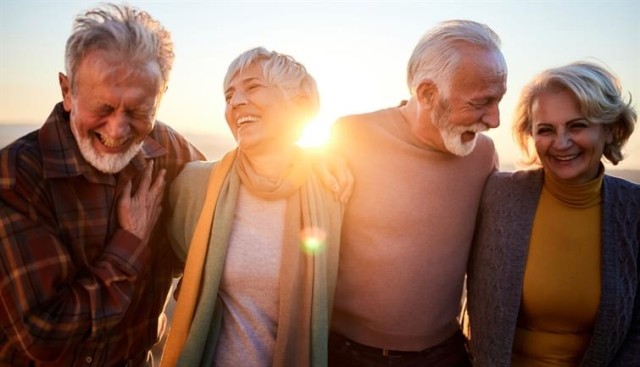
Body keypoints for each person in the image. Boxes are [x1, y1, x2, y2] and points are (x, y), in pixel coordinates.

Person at [0, 3, 204, 366]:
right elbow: (46, 338)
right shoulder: (16, 176)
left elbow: (234, 187)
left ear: (161, 95)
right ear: (67, 90)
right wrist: (130, 244)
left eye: (139, 111)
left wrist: (315, 172)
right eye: (104, 108)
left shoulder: (168, 151)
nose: (118, 130)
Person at [327, 19, 507, 366]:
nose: (495, 120)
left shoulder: (483, 155)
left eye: (498, 100)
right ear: (427, 93)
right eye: (481, 102)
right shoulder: (350, 136)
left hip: (444, 355)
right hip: (347, 354)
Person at [159, 47, 344, 367]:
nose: (236, 101)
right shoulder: (196, 186)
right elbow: (161, 266)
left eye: (253, 87)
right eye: (229, 94)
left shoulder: (331, 192)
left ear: (298, 105)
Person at [467, 61, 639, 366]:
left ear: (611, 129)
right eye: (545, 130)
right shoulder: (497, 195)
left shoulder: (634, 211)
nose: (561, 143)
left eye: (578, 125)